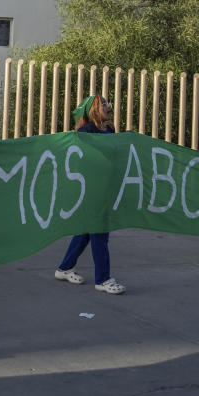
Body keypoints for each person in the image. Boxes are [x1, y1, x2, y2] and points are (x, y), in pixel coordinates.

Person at [53, 95, 127, 295]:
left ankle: (64, 268)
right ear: (93, 109)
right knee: (100, 232)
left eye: (107, 102)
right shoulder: (86, 131)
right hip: (91, 189)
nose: (108, 105)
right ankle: (103, 279)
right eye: (102, 103)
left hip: (106, 187)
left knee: (87, 231)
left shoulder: (110, 130)